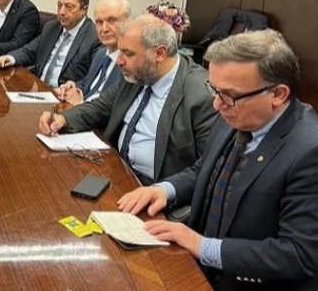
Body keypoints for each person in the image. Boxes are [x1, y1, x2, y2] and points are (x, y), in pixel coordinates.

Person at [117, 29, 318, 291]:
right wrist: (164, 190)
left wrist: (203, 246)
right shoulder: (236, 114)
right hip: (200, 268)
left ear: (278, 94)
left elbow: (297, 255)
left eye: (229, 95)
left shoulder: (316, 152)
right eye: (214, 90)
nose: (217, 105)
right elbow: (204, 169)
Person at [40, 15, 216, 184]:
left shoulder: (203, 95)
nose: (119, 61)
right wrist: (63, 119)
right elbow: (100, 107)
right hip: (115, 170)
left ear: (160, 54)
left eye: (128, 53)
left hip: (156, 190)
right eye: (119, 51)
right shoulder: (138, 74)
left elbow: (206, 169)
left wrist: (165, 190)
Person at [0, 0, 99, 87]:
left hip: (64, 93)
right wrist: (10, 58)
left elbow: (93, 79)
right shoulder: (51, 27)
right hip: (40, 88)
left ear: (84, 10)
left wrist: (71, 89)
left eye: (69, 7)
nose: (62, 12)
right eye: (59, 5)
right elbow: (29, 51)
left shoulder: (94, 37)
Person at [54, 0, 131, 104]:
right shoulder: (101, 53)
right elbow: (89, 83)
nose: (104, 29)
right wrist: (74, 87)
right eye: (99, 22)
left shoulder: (130, 64)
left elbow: (115, 107)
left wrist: (80, 103)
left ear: (128, 23)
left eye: (112, 21)